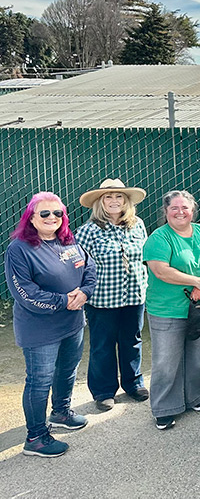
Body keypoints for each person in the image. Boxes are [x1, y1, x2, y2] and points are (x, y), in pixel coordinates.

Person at [6, 192, 96, 457]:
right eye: (44, 213)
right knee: (39, 380)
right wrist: (63, 301)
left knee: (67, 370)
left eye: (57, 213)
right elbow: (24, 292)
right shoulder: (19, 249)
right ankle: (35, 437)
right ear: (31, 218)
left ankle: (60, 412)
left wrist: (86, 292)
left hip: (73, 323)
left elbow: (89, 268)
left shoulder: (69, 241)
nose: (52, 218)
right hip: (40, 329)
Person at [143, 190, 200, 431]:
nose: (180, 212)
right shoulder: (159, 237)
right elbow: (161, 270)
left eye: (185, 208)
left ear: (193, 210)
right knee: (167, 361)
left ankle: (195, 397)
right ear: (166, 212)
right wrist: (196, 282)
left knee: (198, 356)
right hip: (167, 309)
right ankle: (165, 408)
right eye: (174, 208)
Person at [75, 178, 150, 412]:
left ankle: (133, 383)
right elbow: (79, 266)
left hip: (134, 296)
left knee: (132, 340)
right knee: (102, 345)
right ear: (100, 201)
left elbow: (145, 256)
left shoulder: (137, 225)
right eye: (108, 196)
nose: (114, 201)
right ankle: (104, 390)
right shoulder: (88, 231)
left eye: (119, 196)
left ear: (126, 201)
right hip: (102, 299)